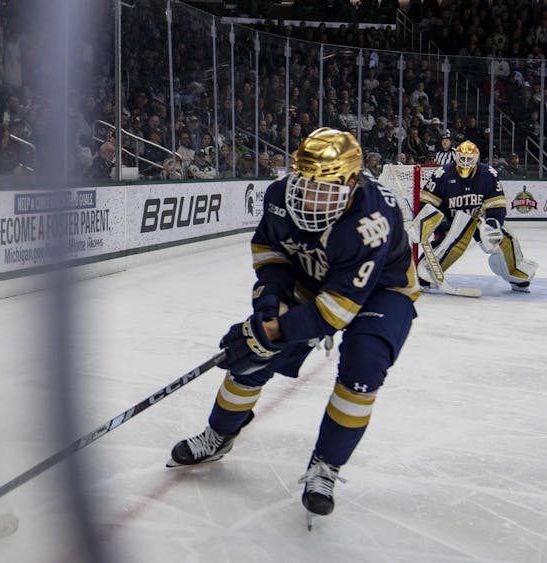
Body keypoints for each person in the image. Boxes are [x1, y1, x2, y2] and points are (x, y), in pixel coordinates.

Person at [168, 128, 420, 526]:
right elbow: (269, 253)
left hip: (381, 293)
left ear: (352, 183)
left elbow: (335, 311)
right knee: (252, 362)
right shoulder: (278, 197)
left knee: (362, 372)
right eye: (305, 184)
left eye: (325, 189)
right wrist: (268, 308)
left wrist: (268, 332)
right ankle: (218, 435)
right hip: (310, 281)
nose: (310, 198)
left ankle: (326, 467)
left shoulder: (372, 221)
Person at [418, 141, 538, 292]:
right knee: (454, 239)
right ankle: (428, 270)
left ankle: (514, 272)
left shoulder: (488, 174)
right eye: (462, 158)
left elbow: (497, 205)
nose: (466, 163)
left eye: (470, 159)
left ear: (477, 159)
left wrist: (493, 224)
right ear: (456, 157)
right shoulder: (442, 174)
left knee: (503, 236)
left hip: (480, 221)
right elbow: (426, 203)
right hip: (452, 223)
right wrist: (436, 223)